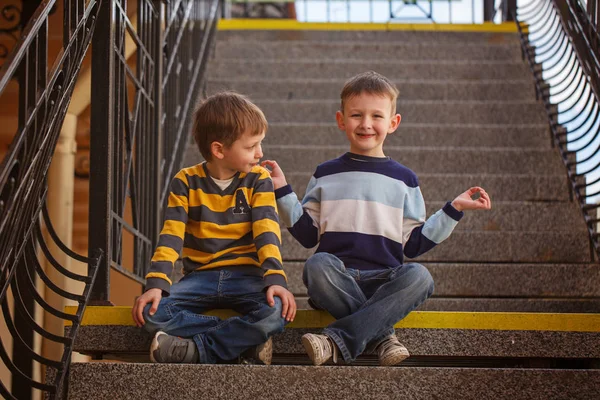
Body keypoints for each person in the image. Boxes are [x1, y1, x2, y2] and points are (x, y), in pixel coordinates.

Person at [262, 71, 491, 367]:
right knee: (316, 265)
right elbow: (307, 236)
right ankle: (383, 337)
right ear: (341, 120)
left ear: (393, 123)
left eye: (376, 116)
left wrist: (453, 210)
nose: (366, 124)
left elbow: (414, 245)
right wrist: (282, 190)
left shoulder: (405, 180)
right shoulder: (326, 174)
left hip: (385, 283)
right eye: (356, 115)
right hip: (337, 279)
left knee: (419, 276)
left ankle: (336, 340)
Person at [132, 91, 296, 365]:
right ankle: (242, 344)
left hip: (247, 277)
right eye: (251, 146)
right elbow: (171, 236)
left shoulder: (258, 179)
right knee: (151, 313)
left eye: (260, 144)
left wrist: (276, 279)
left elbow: (267, 231)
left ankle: (196, 350)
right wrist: (156, 284)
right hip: (200, 277)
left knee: (277, 313)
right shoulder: (185, 181)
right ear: (219, 150)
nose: (260, 153)